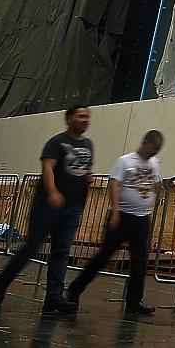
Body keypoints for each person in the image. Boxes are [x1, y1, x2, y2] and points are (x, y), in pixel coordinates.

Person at [0, 104, 95, 315]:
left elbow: (86, 168)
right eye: (80, 116)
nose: (85, 120)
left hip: (72, 208)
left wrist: (88, 179)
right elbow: (47, 168)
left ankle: (54, 296)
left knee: (61, 252)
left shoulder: (89, 144)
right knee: (31, 247)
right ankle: (1, 285)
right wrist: (53, 192)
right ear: (69, 118)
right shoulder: (57, 142)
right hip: (47, 207)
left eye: (87, 117)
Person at [66, 130, 164, 316]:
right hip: (122, 216)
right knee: (104, 256)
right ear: (145, 142)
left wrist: (149, 210)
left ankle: (134, 300)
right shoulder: (125, 161)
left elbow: (155, 185)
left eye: (158, 149)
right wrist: (115, 212)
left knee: (140, 260)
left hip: (141, 218)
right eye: (153, 147)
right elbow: (114, 185)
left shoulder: (155, 164)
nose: (155, 152)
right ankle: (75, 289)